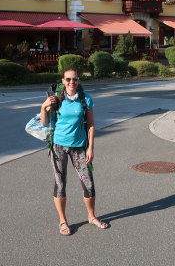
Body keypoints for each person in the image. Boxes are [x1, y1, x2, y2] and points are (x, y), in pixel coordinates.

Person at [40, 68, 109, 235]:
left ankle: (91, 217)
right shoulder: (56, 99)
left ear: (78, 80)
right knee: (60, 184)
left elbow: (91, 124)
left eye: (75, 79)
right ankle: (63, 221)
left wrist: (90, 147)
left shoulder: (85, 99)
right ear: (63, 81)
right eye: (68, 79)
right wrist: (44, 106)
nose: (72, 82)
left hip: (79, 147)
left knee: (89, 184)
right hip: (58, 147)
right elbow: (43, 122)